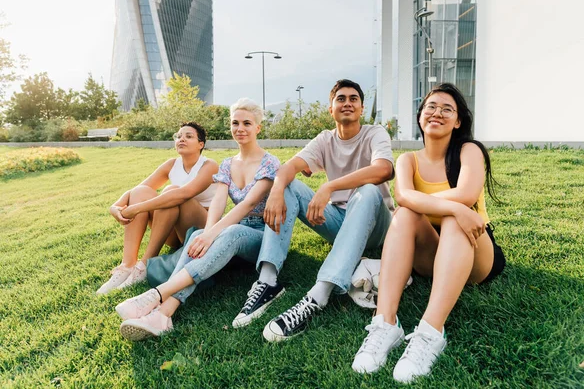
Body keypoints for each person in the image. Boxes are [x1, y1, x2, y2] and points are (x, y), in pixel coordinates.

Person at [351, 83, 505, 383]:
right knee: (407, 213)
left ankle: (430, 332)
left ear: (458, 121)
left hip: (474, 253)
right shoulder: (408, 160)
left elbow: (466, 193)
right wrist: (455, 206)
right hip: (431, 254)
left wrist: (457, 209)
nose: (437, 113)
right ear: (421, 116)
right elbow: (404, 198)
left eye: (447, 109)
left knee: (453, 219)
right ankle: (385, 324)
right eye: (431, 107)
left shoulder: (468, 150)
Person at [116, 98, 283, 340]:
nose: (240, 128)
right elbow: (218, 201)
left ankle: (157, 294)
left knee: (228, 232)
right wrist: (207, 231)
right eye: (235, 123)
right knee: (196, 234)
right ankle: (164, 314)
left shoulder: (270, 162)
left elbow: (247, 205)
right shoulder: (227, 164)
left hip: (262, 235)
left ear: (258, 127)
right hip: (234, 226)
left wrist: (212, 233)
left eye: (247, 123)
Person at [249, 79, 395, 342]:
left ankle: (318, 294)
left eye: (353, 99)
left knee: (369, 190)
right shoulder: (325, 139)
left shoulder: (375, 133)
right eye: (341, 98)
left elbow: (384, 170)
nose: (347, 103)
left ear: (361, 108)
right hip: (341, 220)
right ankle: (268, 280)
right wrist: (277, 190)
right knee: (289, 185)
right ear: (331, 109)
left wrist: (330, 187)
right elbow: (290, 166)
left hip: (377, 224)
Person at [96, 122, 219, 295]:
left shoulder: (209, 165)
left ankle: (144, 265)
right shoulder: (171, 164)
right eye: (179, 136)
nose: (181, 139)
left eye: (189, 136)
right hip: (171, 231)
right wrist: (114, 206)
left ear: (201, 144)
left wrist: (135, 209)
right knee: (141, 192)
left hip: (198, 232)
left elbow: (183, 194)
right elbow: (137, 191)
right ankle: (127, 265)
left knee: (172, 192)